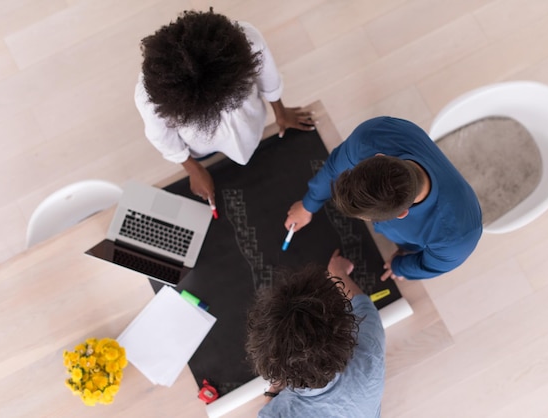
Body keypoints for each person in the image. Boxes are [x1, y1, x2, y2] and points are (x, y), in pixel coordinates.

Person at [135, 9, 315, 203]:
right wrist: (193, 169)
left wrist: (280, 112)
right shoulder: (151, 97)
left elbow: (267, 77)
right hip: (202, 146)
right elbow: (162, 137)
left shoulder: (247, 40)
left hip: (252, 122)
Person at [284, 116, 483, 281]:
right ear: (378, 157)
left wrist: (400, 266)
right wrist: (308, 204)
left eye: (369, 219)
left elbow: (431, 266)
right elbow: (335, 167)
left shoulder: (457, 237)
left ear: (403, 213)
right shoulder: (372, 136)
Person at [246, 250, 385, 418]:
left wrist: (272, 394)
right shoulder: (369, 352)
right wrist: (338, 274)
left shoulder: (274, 415)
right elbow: (363, 307)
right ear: (345, 331)